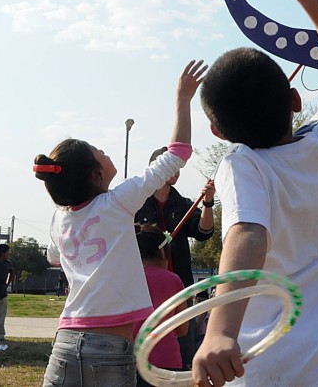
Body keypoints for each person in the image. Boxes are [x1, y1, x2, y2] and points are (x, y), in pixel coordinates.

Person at [191, 0, 318, 387]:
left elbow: (248, 233)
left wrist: (219, 330)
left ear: (219, 132)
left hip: (269, 367)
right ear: (295, 100)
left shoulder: (242, 163)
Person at [37, 60, 205, 387]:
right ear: (96, 174)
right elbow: (177, 154)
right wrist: (183, 99)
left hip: (65, 342)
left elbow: (53, 258)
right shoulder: (116, 203)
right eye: (99, 151)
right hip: (111, 347)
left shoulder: (61, 217)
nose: (104, 150)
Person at [135, 149, 215, 368]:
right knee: (142, 345)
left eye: (179, 168)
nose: (177, 172)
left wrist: (207, 203)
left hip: (178, 286)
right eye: (172, 167)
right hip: (143, 286)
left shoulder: (182, 204)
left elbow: (204, 231)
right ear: (155, 168)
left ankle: (181, 372)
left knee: (183, 342)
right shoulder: (137, 201)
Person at [133, 224, 188, 387]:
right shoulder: (174, 280)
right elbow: (182, 329)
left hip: (131, 361)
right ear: (164, 252)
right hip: (167, 362)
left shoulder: (126, 278)